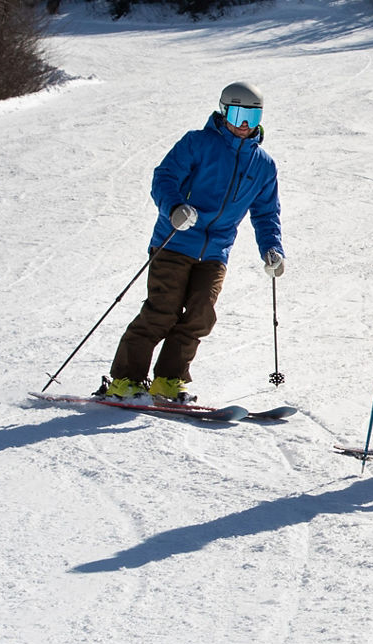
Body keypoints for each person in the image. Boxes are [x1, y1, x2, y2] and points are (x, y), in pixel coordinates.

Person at [100, 82, 287, 403]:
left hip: (217, 251)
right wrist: (173, 207)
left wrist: (273, 249)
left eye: (253, 117)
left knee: (201, 314)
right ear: (224, 111)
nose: (245, 124)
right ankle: (125, 381)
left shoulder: (264, 165)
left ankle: (168, 380)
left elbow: (266, 213)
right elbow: (165, 177)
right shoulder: (198, 143)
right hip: (175, 241)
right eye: (239, 114)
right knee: (163, 310)